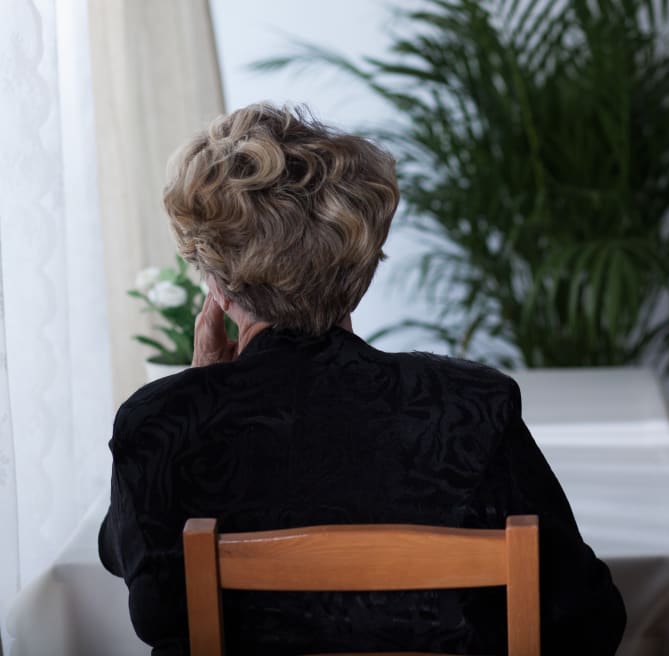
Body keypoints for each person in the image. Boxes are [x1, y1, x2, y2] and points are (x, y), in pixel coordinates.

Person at [98, 103, 625, 655]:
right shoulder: (472, 405)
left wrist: (196, 391)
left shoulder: (159, 423)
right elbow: (587, 617)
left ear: (217, 287)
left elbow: (150, 598)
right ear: (361, 273)